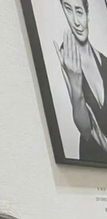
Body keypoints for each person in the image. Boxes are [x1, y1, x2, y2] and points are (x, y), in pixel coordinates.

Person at [55, 0, 107, 161]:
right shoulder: (68, 57)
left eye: (79, 11)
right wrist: (75, 82)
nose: (75, 21)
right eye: (68, 10)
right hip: (92, 161)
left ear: (87, 15)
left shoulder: (105, 61)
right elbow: (85, 131)